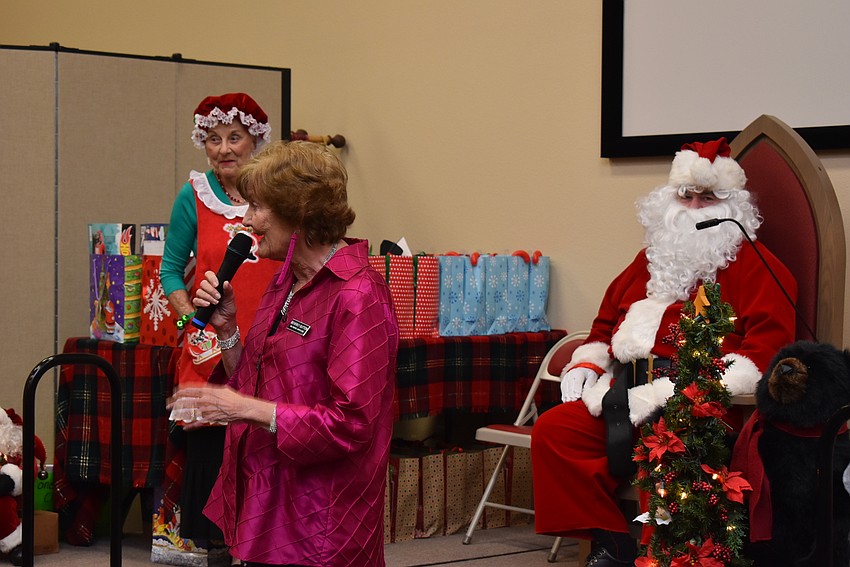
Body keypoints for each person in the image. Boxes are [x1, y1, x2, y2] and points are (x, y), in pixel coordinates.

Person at [531, 138, 797, 567]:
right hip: (627, 391)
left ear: (732, 207)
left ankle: (664, 557)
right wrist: (587, 362)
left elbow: (768, 347)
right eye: (685, 196)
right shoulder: (651, 260)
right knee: (555, 430)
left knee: (667, 444)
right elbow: (606, 320)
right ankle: (611, 544)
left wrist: (703, 391)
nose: (693, 208)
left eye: (707, 198)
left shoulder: (756, 264)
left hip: (700, 402)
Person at [168, 140, 399, 567]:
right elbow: (254, 384)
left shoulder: (358, 294)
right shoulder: (285, 281)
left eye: (257, 206)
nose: (247, 219)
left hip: (320, 523)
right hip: (269, 502)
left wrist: (244, 409)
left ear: (299, 212)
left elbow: (351, 424)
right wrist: (228, 331)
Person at [160, 92, 280, 551]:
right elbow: (171, 270)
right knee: (213, 457)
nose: (224, 148)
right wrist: (190, 321)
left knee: (265, 449)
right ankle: (217, 551)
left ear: (255, 140)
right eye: (214, 139)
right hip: (211, 348)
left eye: (235, 137)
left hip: (269, 343)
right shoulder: (193, 195)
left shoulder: (275, 192)